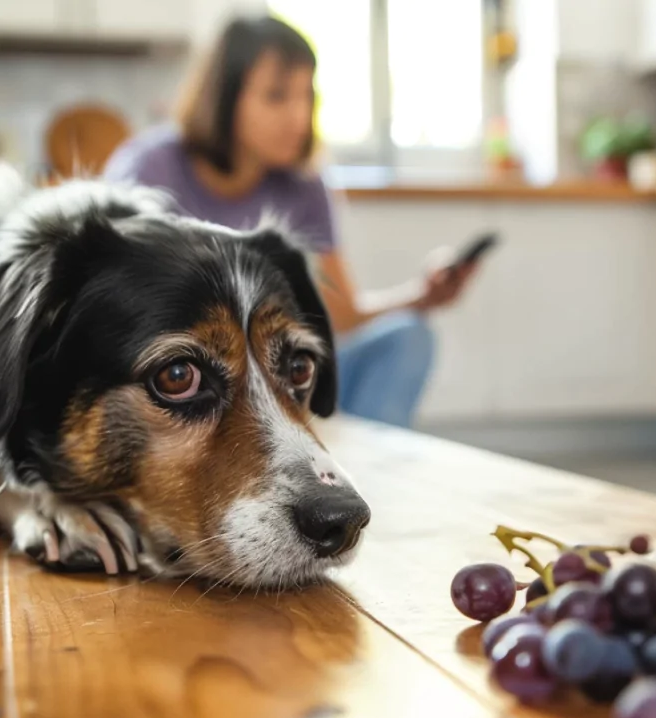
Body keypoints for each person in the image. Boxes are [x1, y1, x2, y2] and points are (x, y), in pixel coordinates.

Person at [102, 15, 479, 428]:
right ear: (225, 96)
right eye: (277, 96)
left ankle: (358, 473)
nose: (298, 116)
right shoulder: (146, 172)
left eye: (307, 96)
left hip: (285, 380)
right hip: (196, 387)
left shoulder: (305, 185)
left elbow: (340, 316)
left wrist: (422, 296)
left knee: (410, 336)